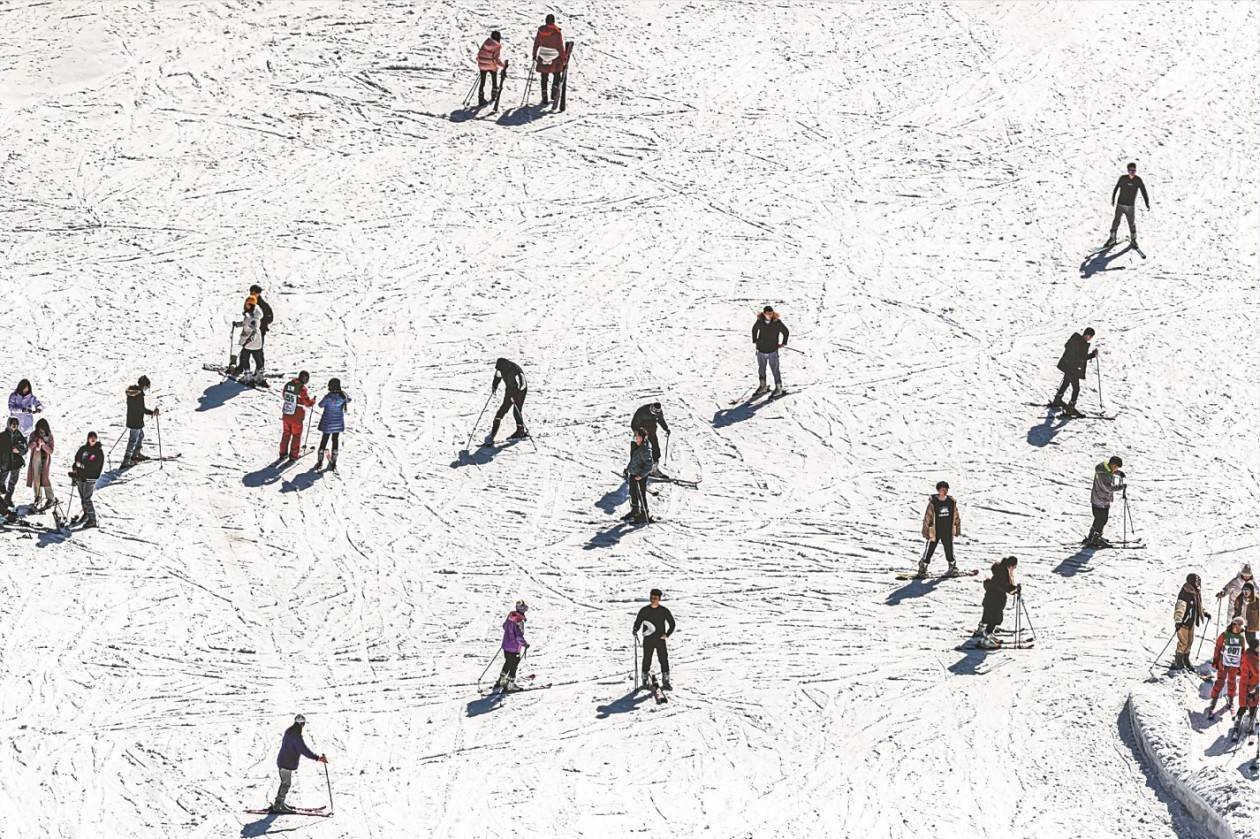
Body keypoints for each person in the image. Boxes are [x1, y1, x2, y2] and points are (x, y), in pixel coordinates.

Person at [271, 714, 327, 814]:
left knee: (285, 783)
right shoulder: (296, 735)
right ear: (302, 723)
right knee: (286, 784)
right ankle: (278, 806)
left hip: (283, 761)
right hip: (286, 763)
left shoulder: (290, 731)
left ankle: (279, 803)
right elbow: (303, 750)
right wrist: (317, 758)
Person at [917, 480, 962, 578]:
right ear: (938, 490)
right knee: (929, 551)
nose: (945, 491)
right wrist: (926, 532)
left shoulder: (951, 502)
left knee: (949, 551)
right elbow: (927, 518)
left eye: (946, 489)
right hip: (935, 532)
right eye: (943, 489)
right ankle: (923, 568)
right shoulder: (934, 503)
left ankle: (952, 567)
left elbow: (956, 516)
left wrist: (957, 528)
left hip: (947, 531)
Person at [633, 589, 676, 690]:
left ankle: (666, 682)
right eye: (651, 597)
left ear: (659, 599)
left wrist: (667, 634)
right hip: (648, 640)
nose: (653, 600)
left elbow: (672, 624)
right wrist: (635, 629)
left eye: (655, 598)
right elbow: (638, 622)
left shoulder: (664, 611)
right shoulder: (644, 610)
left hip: (660, 640)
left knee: (663, 660)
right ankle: (644, 681)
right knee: (647, 659)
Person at [1050, 328, 1097, 417]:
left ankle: (1057, 400)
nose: (1090, 339)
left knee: (1066, 383)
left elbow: (1068, 347)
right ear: (1087, 335)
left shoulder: (1075, 339)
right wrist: (1093, 355)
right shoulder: (1081, 344)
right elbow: (1081, 358)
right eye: (1090, 337)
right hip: (1073, 369)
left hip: (1067, 366)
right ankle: (1070, 408)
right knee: (1076, 389)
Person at [1207, 615, 1246, 717]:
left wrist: (1242, 666)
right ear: (1233, 625)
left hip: (1234, 665)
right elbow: (1218, 647)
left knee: (1232, 682)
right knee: (1220, 681)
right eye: (1239, 626)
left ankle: (1231, 699)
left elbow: (1242, 652)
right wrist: (1215, 659)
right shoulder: (1224, 635)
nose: (1240, 628)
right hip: (1223, 663)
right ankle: (1213, 701)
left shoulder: (1241, 638)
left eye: (1241, 627)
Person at [1104, 162, 1150, 249]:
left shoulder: (1138, 180)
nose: (1132, 172)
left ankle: (1133, 240)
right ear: (1128, 170)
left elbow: (1143, 191)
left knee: (1131, 223)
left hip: (1130, 206)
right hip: (1120, 204)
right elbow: (1116, 188)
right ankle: (1112, 238)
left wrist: (1147, 203)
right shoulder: (1123, 178)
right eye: (1131, 170)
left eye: (1134, 170)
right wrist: (1113, 199)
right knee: (1116, 221)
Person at [978, 556, 1019, 649]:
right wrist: (1015, 590)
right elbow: (1004, 586)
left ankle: (988, 635)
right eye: (1014, 567)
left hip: (990, 599)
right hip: (995, 601)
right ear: (1011, 565)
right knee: (995, 619)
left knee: (990, 617)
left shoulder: (1000, 571)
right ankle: (986, 640)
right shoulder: (1003, 573)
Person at [1171, 573, 1207, 671]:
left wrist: (1203, 612)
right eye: (1196, 581)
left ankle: (1186, 659)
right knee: (1183, 642)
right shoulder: (1185, 592)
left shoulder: (1195, 592)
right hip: (1183, 623)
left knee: (1190, 641)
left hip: (1191, 622)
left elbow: (1197, 605)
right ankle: (1178, 660)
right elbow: (1180, 606)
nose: (1198, 583)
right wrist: (1178, 620)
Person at [486, 358, 527, 444]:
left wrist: (515, 397)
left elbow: (522, 385)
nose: (498, 371)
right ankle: (493, 433)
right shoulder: (501, 369)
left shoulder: (516, 371)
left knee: (516, 411)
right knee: (503, 409)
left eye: (500, 369)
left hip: (520, 392)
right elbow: (497, 376)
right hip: (509, 390)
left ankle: (520, 431)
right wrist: (494, 385)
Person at [1085, 456, 1123, 547]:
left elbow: (1109, 472)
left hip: (1098, 499)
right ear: (1113, 465)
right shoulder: (1104, 474)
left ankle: (1092, 536)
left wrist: (1118, 473)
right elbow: (1108, 488)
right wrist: (1121, 487)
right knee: (1102, 520)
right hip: (1101, 500)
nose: (1116, 469)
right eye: (1116, 467)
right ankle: (1096, 539)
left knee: (1098, 519)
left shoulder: (1104, 469)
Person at [751, 306, 789, 397]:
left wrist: (783, 343)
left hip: (772, 351)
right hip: (761, 350)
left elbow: (785, 332)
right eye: (767, 314)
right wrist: (755, 340)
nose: (769, 315)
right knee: (761, 369)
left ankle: (779, 387)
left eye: (771, 313)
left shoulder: (777, 322)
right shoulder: (760, 321)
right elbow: (754, 329)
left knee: (775, 369)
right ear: (764, 313)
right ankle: (763, 386)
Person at [69, 431, 104, 528]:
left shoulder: (98, 451)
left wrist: (82, 466)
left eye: (94, 438)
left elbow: (94, 465)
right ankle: (86, 514)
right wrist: (75, 469)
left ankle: (92, 519)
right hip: (81, 476)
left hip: (90, 477)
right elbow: (77, 460)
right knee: (82, 497)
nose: (92, 439)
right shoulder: (83, 449)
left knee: (87, 498)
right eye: (91, 438)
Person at [493, 601, 529, 691]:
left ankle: (501, 681)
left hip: (506, 645)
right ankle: (510, 685)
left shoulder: (510, 616)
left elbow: (504, 626)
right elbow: (518, 636)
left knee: (508, 663)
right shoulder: (519, 621)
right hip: (514, 647)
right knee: (514, 665)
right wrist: (525, 644)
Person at [123, 376, 159, 467]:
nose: (147, 389)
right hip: (136, 422)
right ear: (143, 386)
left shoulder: (134, 393)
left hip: (133, 420)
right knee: (133, 440)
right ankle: (126, 460)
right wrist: (152, 412)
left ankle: (136, 454)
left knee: (141, 435)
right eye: (147, 387)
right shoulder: (138, 396)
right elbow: (141, 409)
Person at [280, 371, 316, 462]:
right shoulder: (302, 389)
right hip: (296, 415)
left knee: (286, 433)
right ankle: (294, 455)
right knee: (296, 435)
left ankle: (283, 453)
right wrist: (313, 401)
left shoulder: (289, 384)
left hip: (286, 413)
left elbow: (284, 395)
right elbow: (307, 403)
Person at [316, 378, 351, 472]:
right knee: (335, 440)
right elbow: (349, 399)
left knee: (324, 440)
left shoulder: (328, 397)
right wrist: (343, 393)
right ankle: (334, 460)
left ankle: (320, 460)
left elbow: (320, 405)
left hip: (327, 423)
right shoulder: (343, 396)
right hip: (338, 423)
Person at [532, 14, 565, 105]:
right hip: (555, 57)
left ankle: (544, 95)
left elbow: (536, 43)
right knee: (557, 74)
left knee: (544, 76)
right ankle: (554, 92)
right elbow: (560, 46)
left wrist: (534, 54)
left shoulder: (540, 31)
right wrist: (564, 58)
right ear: (553, 21)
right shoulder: (557, 32)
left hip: (543, 55)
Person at [624, 427, 654, 525]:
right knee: (632, 493)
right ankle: (635, 511)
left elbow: (649, 466)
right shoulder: (636, 446)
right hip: (633, 473)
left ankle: (644, 514)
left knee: (641, 494)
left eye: (638, 436)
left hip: (640, 476)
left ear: (643, 438)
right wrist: (628, 469)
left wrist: (641, 475)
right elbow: (633, 460)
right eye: (636, 436)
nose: (636, 438)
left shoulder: (645, 450)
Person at [630, 402, 669, 473]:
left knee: (656, 451)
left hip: (652, 433)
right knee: (638, 452)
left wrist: (666, 428)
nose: (655, 415)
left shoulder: (658, 412)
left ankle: (654, 469)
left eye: (657, 413)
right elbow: (634, 424)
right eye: (654, 413)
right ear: (651, 409)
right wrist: (638, 434)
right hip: (641, 434)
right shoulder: (641, 411)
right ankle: (633, 469)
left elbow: (660, 419)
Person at [26, 418, 56, 512]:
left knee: (45, 478)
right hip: (36, 458)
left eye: (42, 429)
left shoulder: (49, 436)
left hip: (45, 459)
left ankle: (50, 498)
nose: (41, 431)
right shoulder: (33, 434)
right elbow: (29, 447)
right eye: (39, 429)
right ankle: (37, 497)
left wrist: (44, 445)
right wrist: (34, 443)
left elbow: (51, 451)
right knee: (36, 478)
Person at [234, 296, 266, 384]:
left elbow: (254, 329)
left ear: (252, 305)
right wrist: (238, 324)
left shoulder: (254, 318)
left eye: (248, 304)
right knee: (257, 358)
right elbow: (246, 324)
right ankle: (259, 375)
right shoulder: (251, 314)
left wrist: (250, 339)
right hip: (255, 342)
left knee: (245, 358)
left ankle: (248, 376)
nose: (246, 305)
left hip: (250, 342)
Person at [0, 416, 27, 515]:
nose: (14, 425)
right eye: (12, 423)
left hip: (16, 463)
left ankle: (8, 498)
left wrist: (19, 450)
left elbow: (25, 447)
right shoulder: (2, 436)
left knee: (12, 482)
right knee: (1, 481)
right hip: (5, 462)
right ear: (9, 424)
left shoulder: (19, 435)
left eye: (16, 424)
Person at [1233, 637, 1258, 741]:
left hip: (1246, 684)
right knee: (1252, 705)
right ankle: (1250, 725)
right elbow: (1257, 672)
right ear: (1254, 648)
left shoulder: (1248, 655)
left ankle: (1237, 723)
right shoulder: (1251, 658)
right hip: (1251, 685)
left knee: (1243, 705)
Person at [476, 31, 506, 106]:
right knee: (494, 79)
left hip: (482, 64)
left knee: (482, 82)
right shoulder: (497, 46)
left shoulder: (486, 42)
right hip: (491, 65)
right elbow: (496, 59)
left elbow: (479, 53)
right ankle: (494, 95)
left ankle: (480, 98)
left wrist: (480, 61)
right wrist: (503, 65)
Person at [249, 284, 274, 371]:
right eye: (251, 292)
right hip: (249, 330)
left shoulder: (263, 305)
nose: (251, 293)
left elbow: (270, 318)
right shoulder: (250, 302)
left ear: (258, 293)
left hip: (259, 331)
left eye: (254, 292)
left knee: (258, 350)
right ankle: (243, 367)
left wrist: (261, 324)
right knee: (246, 350)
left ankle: (260, 369)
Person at [1233, 581, 1258, 648]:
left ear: (1251, 591)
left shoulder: (1257, 601)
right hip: (1239, 623)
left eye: (1248, 590)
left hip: (1250, 625)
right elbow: (1235, 609)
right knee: (1236, 642)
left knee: (1251, 643)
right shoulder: (1239, 599)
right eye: (1244, 590)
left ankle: (1253, 656)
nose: (1245, 592)